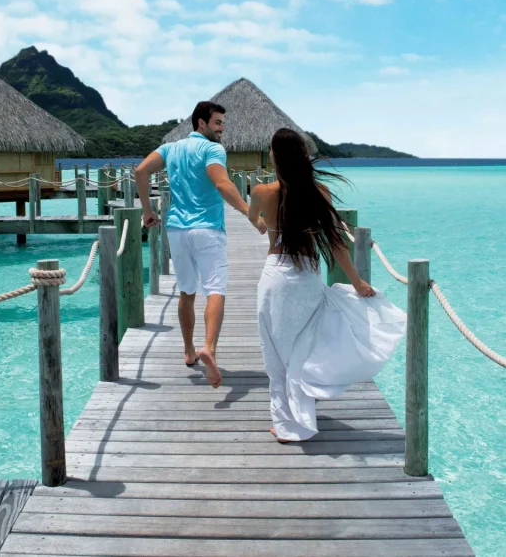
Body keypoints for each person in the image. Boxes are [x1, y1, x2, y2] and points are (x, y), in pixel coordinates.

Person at [248, 128, 407, 442]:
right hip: (306, 277)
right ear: (303, 156)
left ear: (275, 157)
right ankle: (300, 410)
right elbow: (336, 245)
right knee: (301, 346)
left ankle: (284, 422)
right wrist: (357, 282)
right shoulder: (319, 192)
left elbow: (255, 219)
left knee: (275, 351)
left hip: (275, 277)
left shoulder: (261, 192)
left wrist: (264, 223)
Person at [135, 100, 264, 387]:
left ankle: (188, 350)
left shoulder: (171, 148)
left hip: (177, 231)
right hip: (207, 229)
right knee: (215, 289)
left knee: (187, 292)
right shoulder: (212, 149)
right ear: (201, 123)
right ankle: (210, 348)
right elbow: (222, 183)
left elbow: (141, 171)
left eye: (222, 123)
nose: (222, 128)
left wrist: (147, 211)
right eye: (217, 123)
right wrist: (249, 214)